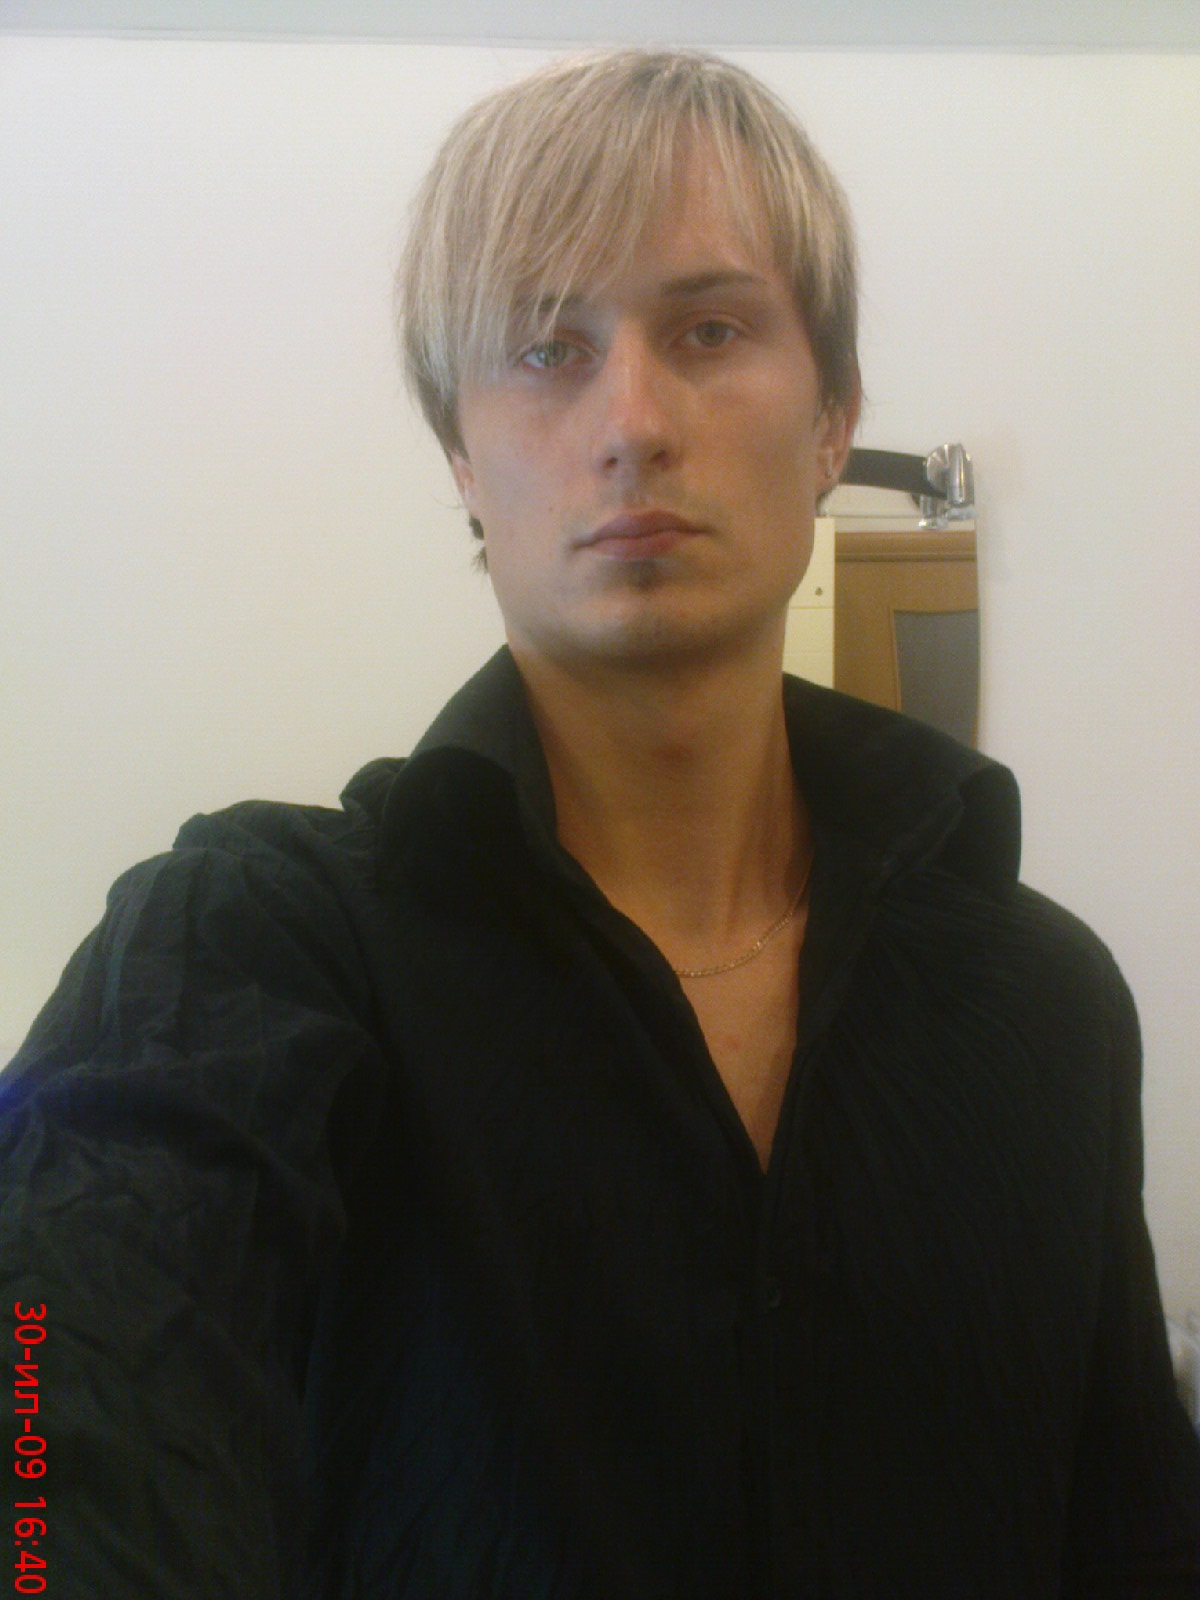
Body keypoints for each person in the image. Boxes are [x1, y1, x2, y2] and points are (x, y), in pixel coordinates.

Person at [1, 46, 1197, 1599]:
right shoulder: (246, 942)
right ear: (460, 457)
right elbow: (63, 1396)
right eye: (544, 348)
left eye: (710, 330)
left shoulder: (1047, 1001)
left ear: (833, 419)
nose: (632, 419)